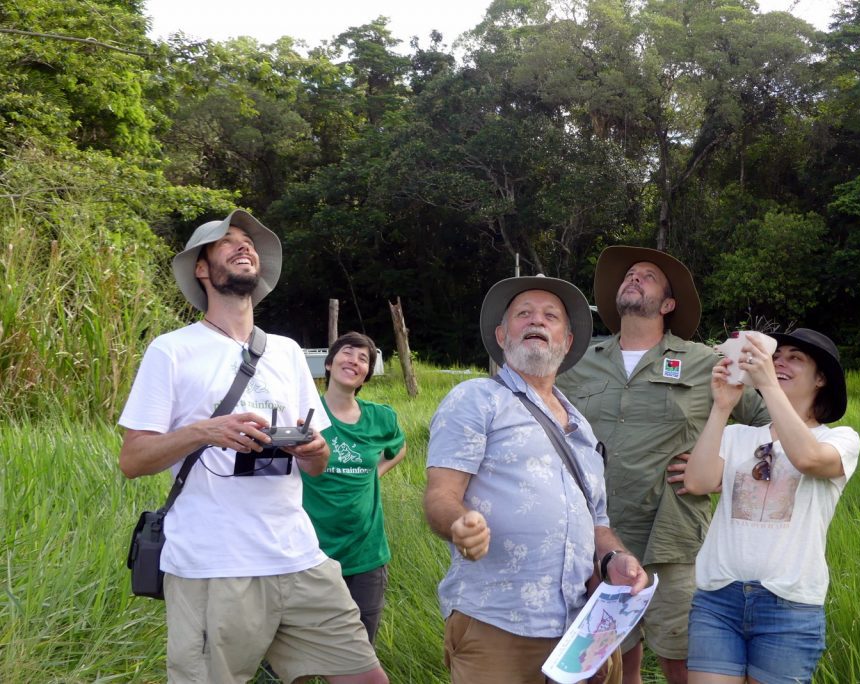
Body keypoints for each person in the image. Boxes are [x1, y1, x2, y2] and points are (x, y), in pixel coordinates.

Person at [118, 209, 388, 684]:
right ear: (201, 269)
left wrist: (310, 450)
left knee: (367, 677)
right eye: (227, 241)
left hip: (300, 556)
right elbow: (133, 459)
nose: (244, 246)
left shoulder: (285, 351)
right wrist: (207, 430)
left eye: (248, 242)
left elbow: (320, 462)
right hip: (213, 566)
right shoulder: (172, 350)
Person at [558, 246, 770, 684]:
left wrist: (721, 470)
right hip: (594, 539)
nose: (633, 278)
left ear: (668, 304)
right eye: (629, 275)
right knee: (611, 663)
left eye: (648, 276)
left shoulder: (705, 362)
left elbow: (769, 421)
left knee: (682, 661)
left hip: (671, 538)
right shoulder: (578, 364)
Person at [423, 275, 649, 684]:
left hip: (579, 631)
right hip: (498, 624)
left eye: (550, 316)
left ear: (566, 340)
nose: (536, 322)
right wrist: (459, 524)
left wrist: (615, 559)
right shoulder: (476, 398)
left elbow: (597, 522)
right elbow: (441, 494)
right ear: (501, 334)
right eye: (523, 314)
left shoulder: (582, 427)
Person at [683, 328, 860, 683]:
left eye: (795, 359)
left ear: (821, 379)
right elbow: (697, 482)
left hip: (789, 606)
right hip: (719, 599)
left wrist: (769, 386)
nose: (780, 363)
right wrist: (722, 408)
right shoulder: (738, 435)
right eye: (777, 356)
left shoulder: (839, 439)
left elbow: (808, 458)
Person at [301, 331, 407, 645]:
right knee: (294, 653)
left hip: (366, 554)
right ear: (330, 363)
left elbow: (398, 448)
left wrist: (373, 475)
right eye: (348, 352)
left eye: (364, 358)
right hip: (309, 553)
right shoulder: (306, 416)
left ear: (367, 374)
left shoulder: (381, 417)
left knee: (360, 649)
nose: (355, 361)